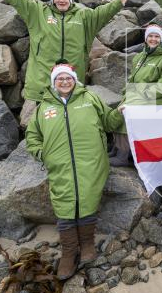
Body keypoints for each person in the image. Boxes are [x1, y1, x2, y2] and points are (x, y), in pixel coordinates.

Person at [0, 0, 127, 122]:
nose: (61, 0)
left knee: (68, 126)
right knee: (37, 127)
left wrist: (119, 3)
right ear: (52, 0)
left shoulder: (84, 16)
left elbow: (102, 13)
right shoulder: (38, 12)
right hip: (41, 85)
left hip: (71, 84)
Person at [25, 63, 115, 280]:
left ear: (75, 80)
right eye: (60, 79)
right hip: (60, 166)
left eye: (68, 78)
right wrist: (42, 154)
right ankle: (69, 252)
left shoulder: (90, 99)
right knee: (64, 204)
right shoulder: (43, 108)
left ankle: (86, 244)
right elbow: (32, 136)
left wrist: (122, 112)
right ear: (53, 82)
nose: (64, 82)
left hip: (91, 163)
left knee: (88, 200)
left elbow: (109, 121)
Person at [110, 25, 162, 166]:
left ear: (161, 39)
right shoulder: (141, 56)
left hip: (155, 99)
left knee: (127, 110)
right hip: (138, 94)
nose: (153, 39)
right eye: (150, 36)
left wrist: (143, 93)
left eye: (156, 37)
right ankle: (116, 148)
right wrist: (127, 91)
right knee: (116, 110)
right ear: (146, 38)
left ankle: (123, 156)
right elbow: (132, 78)